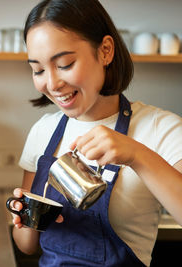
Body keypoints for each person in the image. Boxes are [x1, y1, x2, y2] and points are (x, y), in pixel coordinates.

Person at [10, 0, 182, 266]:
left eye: (65, 64)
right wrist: (26, 216)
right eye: (38, 70)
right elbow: (27, 246)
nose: (53, 84)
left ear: (105, 51)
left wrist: (137, 155)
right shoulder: (43, 131)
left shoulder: (161, 129)